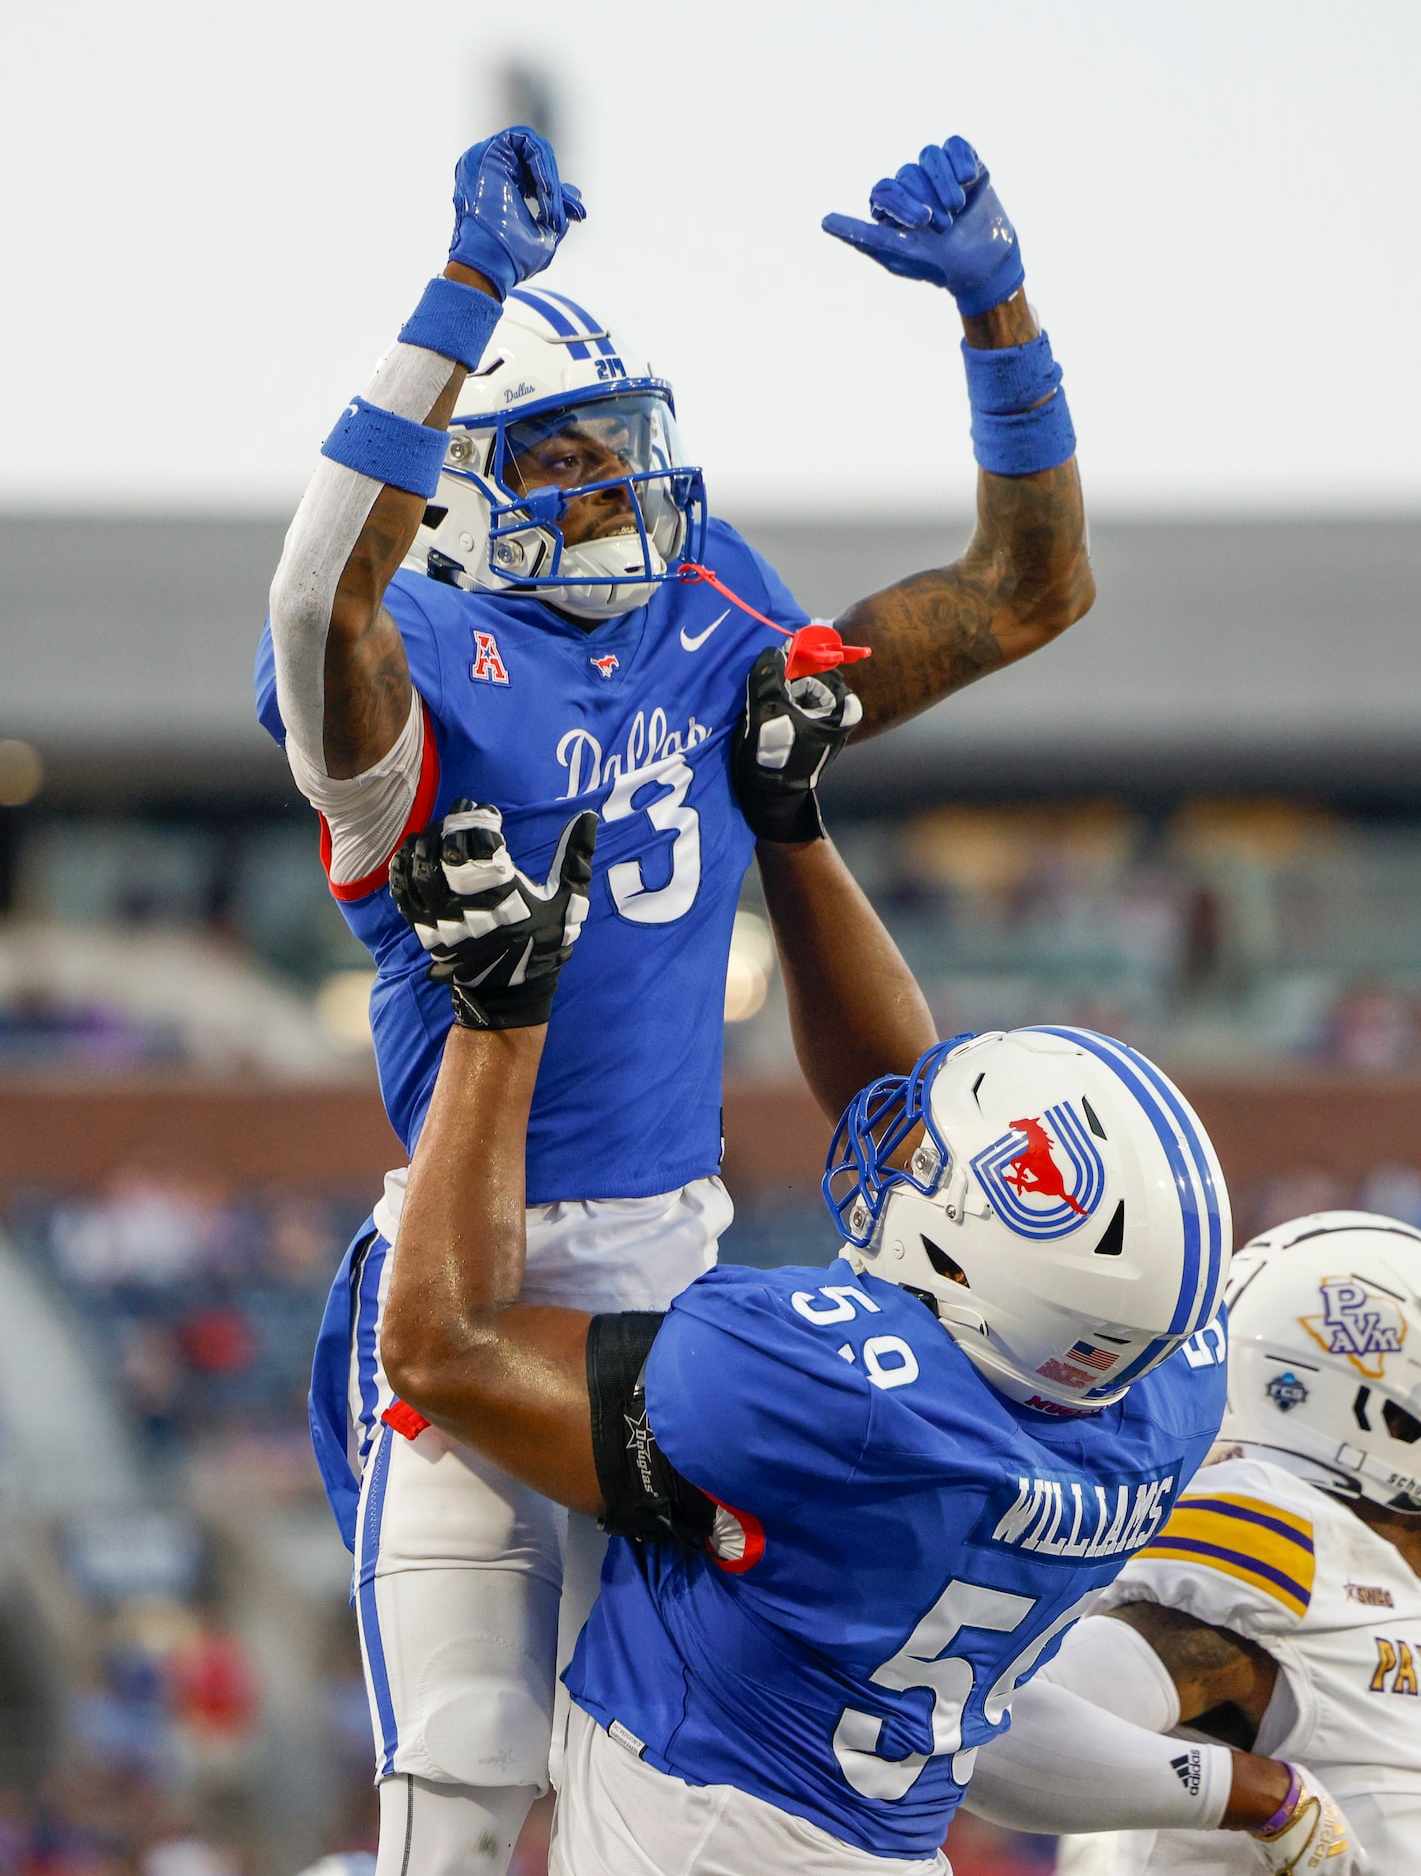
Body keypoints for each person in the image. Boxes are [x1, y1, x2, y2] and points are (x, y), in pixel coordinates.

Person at [256, 122, 1093, 1872]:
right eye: (554, 459)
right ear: (451, 492)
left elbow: (1028, 592)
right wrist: (459, 289)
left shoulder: (710, 606)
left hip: (682, 1275)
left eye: (614, 451)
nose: (609, 491)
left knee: (687, 1759)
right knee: (472, 1779)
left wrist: (1000, 315)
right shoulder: (408, 675)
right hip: (478, 1260)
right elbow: (308, 591)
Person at [372, 741, 1366, 1874]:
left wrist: (498, 1018)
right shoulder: (1155, 1392)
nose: (898, 1145)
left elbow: (442, 1350)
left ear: (967, 1263)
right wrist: (791, 831)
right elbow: (916, 1113)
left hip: (708, 1838)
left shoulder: (826, 1398)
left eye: (930, 1167)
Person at [969, 1208, 1418, 1872]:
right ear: (1379, 1406)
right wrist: (1270, 1799)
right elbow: (987, 1733)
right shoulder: (1286, 1535)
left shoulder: (1377, 1580)